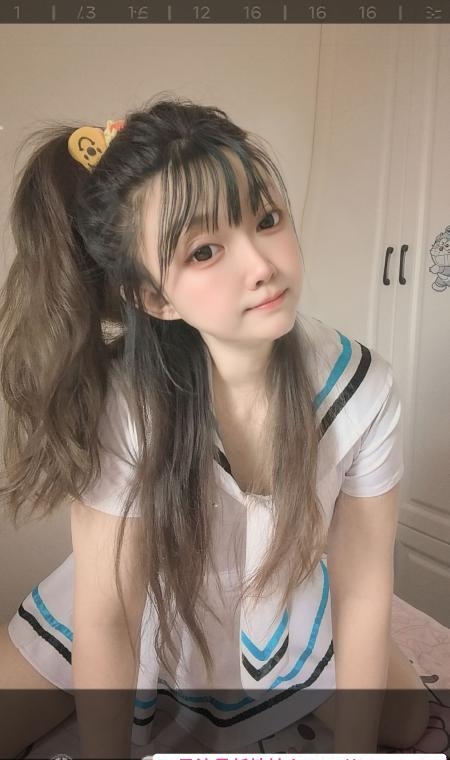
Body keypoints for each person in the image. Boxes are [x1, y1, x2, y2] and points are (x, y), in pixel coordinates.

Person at [0, 93, 429, 759]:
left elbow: (365, 583)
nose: (261, 265)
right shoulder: (130, 401)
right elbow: (110, 614)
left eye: (266, 218)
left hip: (280, 597)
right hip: (143, 588)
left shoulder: (362, 387)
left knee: (403, 723)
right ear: (154, 298)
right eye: (205, 251)